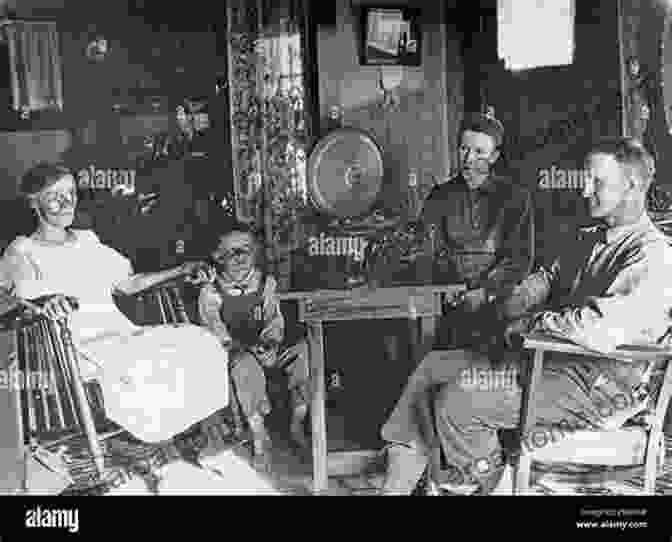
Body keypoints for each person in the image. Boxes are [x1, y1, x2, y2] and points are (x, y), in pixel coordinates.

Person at [380, 137, 672, 495]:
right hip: (548, 364)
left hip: (595, 388)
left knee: (458, 401)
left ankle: (496, 485)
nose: (583, 190)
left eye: (596, 181)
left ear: (631, 185)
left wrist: (529, 324)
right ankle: (394, 489)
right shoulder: (590, 238)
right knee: (432, 368)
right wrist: (513, 299)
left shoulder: (650, 256)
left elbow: (597, 327)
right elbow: (548, 278)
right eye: (585, 179)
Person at [0, 162, 229, 446]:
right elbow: (8, 300)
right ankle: (161, 439)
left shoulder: (87, 240)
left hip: (119, 332)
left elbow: (128, 283)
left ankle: (193, 434)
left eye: (71, 192)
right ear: (34, 203)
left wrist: (181, 270)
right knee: (142, 366)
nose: (67, 201)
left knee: (200, 342)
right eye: (55, 196)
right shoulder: (22, 250)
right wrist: (41, 302)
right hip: (72, 348)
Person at [195, 223, 310, 471]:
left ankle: (297, 423)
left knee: (302, 352)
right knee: (244, 366)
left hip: (265, 347)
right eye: (232, 252)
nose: (240, 258)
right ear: (218, 257)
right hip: (236, 352)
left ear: (255, 253)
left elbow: (274, 318)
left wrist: (270, 342)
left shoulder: (265, 284)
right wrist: (232, 345)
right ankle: (259, 433)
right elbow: (214, 329)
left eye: (245, 250)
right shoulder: (211, 292)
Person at [420, 108, 534, 348]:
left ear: (494, 156)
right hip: (446, 307)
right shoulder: (439, 197)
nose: (469, 159)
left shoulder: (515, 198)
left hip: (497, 307)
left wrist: (485, 293)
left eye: (480, 152)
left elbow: (519, 258)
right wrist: (446, 289)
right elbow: (428, 252)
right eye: (464, 149)